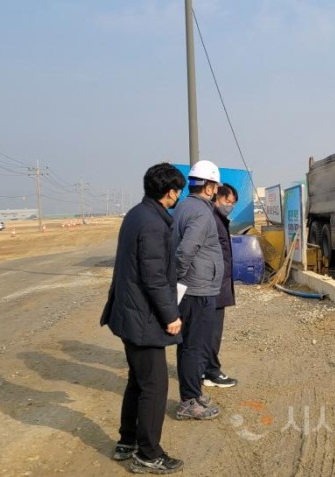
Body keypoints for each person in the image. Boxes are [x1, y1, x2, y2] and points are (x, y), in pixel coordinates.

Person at [100, 163, 186, 474]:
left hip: (130, 313)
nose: (178, 195)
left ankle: (128, 441)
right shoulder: (152, 223)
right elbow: (154, 277)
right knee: (155, 385)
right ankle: (149, 453)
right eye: (178, 190)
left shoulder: (138, 214)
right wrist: (171, 315)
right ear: (170, 192)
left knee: (138, 380)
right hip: (143, 316)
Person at [172, 160, 224, 420]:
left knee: (189, 344)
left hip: (193, 287)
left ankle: (192, 392)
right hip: (198, 289)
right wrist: (181, 279)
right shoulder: (202, 212)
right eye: (215, 186)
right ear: (210, 187)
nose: (216, 191)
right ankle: (189, 401)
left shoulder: (184, 206)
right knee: (195, 345)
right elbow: (186, 250)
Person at [203, 183, 238, 388]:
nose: (230, 206)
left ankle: (204, 369)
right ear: (217, 196)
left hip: (218, 283)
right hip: (214, 285)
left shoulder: (218, 218)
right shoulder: (212, 220)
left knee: (209, 330)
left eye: (233, 203)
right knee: (212, 331)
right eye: (228, 201)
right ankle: (211, 372)